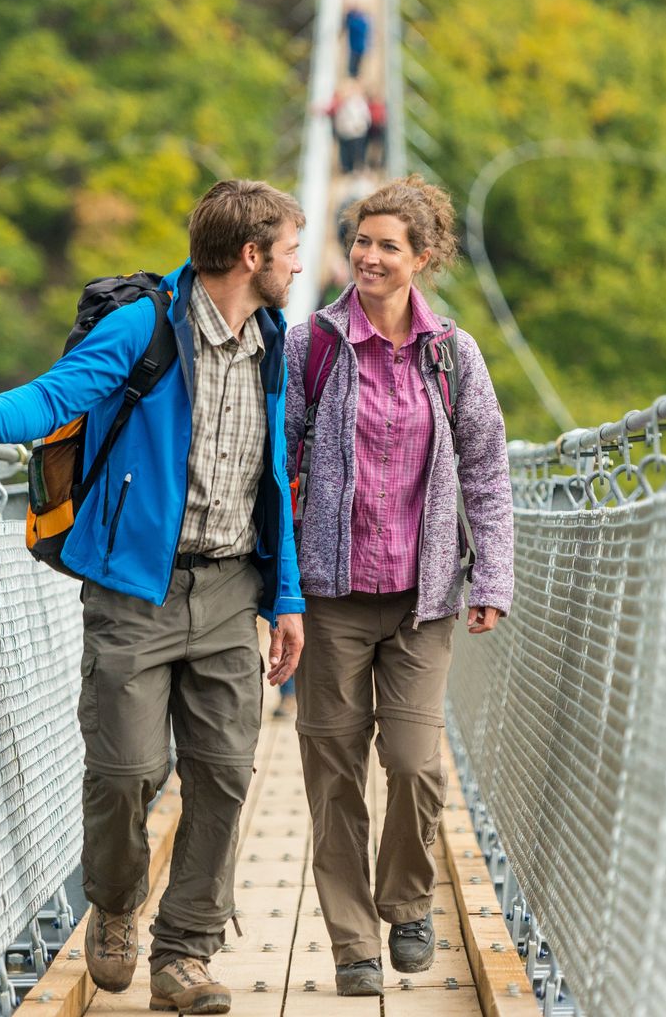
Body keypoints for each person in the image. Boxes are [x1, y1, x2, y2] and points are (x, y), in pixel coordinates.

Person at [0, 180, 308, 1017]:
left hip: (233, 585)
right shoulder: (146, 326)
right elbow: (59, 394)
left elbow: (277, 478)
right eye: (293, 251)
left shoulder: (276, 343)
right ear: (251, 256)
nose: (302, 267)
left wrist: (289, 596)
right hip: (135, 589)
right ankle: (118, 905)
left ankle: (186, 954)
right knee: (127, 771)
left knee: (227, 772)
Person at [281, 175, 514, 997]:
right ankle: (352, 943)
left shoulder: (453, 354)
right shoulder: (311, 343)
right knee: (333, 771)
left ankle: (407, 905)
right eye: (361, 241)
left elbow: (486, 468)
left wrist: (492, 572)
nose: (369, 257)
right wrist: (279, 587)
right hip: (332, 598)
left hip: (423, 602)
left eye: (388, 245)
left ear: (423, 259)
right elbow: (281, 466)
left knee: (413, 764)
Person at [327, 83, 372, 176]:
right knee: (346, 151)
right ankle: (347, 168)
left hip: (357, 131)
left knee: (357, 150)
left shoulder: (359, 102)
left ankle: (357, 167)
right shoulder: (342, 102)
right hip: (346, 131)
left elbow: (365, 115)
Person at [344, 5, 370, 78]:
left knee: (354, 66)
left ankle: (354, 76)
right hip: (358, 47)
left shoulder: (356, 24)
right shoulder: (362, 23)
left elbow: (349, 24)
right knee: (355, 65)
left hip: (357, 48)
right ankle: (354, 76)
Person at [363, 91, 387, 172]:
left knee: (380, 147)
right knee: (371, 148)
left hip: (379, 129)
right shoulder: (370, 106)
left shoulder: (382, 106)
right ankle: (372, 163)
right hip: (371, 129)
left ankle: (379, 163)